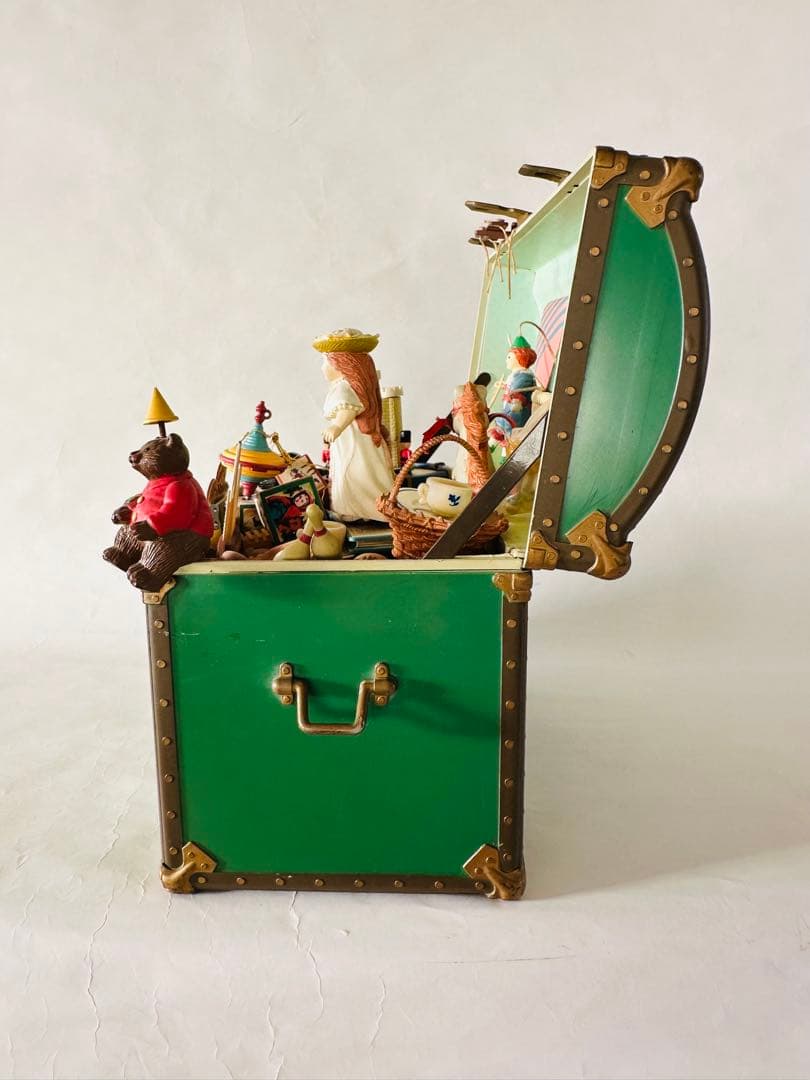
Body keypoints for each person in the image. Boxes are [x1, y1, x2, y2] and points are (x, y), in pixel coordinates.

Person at [313, 329, 393, 522]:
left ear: (341, 365)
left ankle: (357, 510)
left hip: (352, 441)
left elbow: (348, 410)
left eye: (325, 362)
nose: (323, 368)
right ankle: (364, 508)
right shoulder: (343, 386)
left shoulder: (344, 387)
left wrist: (337, 427)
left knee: (353, 472)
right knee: (359, 470)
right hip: (351, 440)